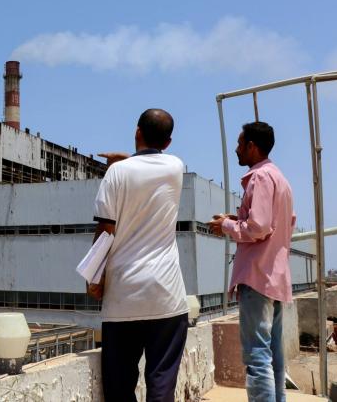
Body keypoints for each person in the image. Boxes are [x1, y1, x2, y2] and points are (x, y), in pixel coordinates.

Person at [89, 108, 188, 402]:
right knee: (161, 386)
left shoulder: (116, 173)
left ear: (136, 132)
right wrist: (128, 161)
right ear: (168, 143)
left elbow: (106, 231)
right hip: (167, 298)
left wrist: (94, 277)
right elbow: (150, 166)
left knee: (119, 389)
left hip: (124, 298)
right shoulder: (175, 167)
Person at [209, 121, 295, 402]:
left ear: (252, 147)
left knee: (257, 357)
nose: (236, 149)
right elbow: (278, 224)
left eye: (240, 143)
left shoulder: (259, 178)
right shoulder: (280, 179)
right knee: (274, 356)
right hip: (276, 276)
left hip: (257, 276)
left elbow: (258, 227)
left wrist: (226, 226)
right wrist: (236, 221)